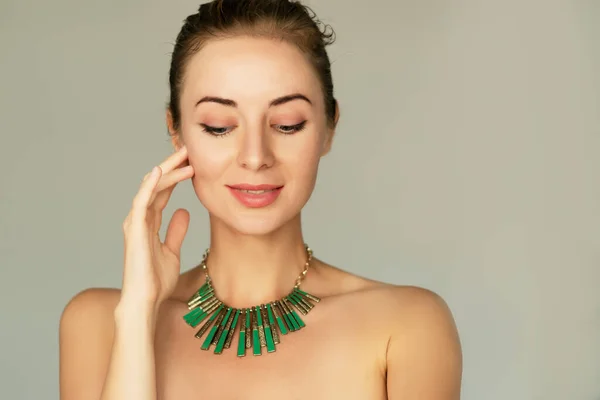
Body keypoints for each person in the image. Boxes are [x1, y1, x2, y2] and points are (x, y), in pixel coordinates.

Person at [59, 0, 462, 398]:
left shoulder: (406, 326)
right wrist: (138, 315)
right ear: (177, 131)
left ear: (328, 127)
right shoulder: (99, 325)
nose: (255, 157)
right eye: (219, 127)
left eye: (288, 125)